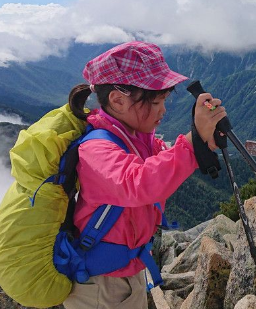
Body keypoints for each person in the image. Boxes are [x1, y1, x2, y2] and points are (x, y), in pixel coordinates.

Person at [63, 41, 226, 309]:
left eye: (164, 100)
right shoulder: (96, 148)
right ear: (118, 100)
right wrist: (192, 139)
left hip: (125, 272)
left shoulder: (136, 138)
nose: (163, 110)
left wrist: (203, 142)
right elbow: (137, 184)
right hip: (100, 290)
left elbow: (166, 158)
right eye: (157, 102)